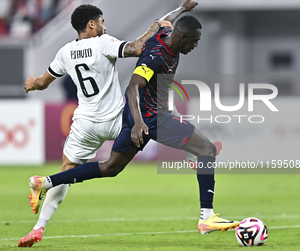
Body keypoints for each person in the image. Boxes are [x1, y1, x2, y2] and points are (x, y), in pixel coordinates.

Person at [28, 13, 240, 236]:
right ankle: (207, 216)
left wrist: (180, 9)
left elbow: (161, 24)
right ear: (183, 37)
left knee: (111, 167)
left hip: (133, 115)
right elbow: (132, 87)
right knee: (206, 148)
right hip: (151, 118)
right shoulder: (155, 57)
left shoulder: (166, 35)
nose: (196, 46)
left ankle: (45, 182)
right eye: (194, 41)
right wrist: (139, 123)